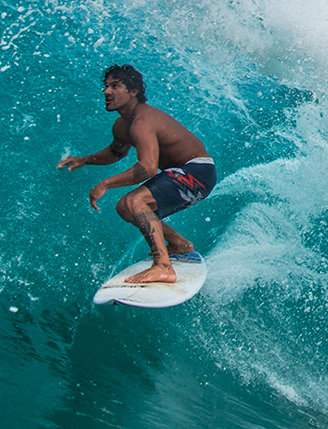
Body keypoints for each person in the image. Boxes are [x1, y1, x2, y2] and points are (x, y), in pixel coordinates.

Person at [57, 65, 215, 283]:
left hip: (198, 172)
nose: (106, 92)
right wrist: (84, 160)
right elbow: (116, 152)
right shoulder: (123, 126)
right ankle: (179, 244)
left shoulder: (142, 121)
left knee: (135, 200)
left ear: (133, 92)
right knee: (125, 207)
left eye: (115, 86)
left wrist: (105, 184)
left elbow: (148, 168)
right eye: (106, 86)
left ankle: (163, 266)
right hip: (186, 174)